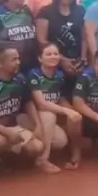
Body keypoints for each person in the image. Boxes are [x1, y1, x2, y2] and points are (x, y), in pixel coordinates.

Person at [0, 46, 44, 186]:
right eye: (13, 60)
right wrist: (7, 132)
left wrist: (38, 125)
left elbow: (28, 102)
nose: (18, 62)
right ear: (0, 63)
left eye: (18, 59)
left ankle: (6, 158)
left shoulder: (20, 80)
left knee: (37, 147)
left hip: (12, 126)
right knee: (0, 142)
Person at [27, 44, 83, 172]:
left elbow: (59, 97)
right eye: (48, 54)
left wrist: (71, 110)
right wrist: (65, 110)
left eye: (55, 54)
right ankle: (42, 160)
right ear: (40, 58)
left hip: (47, 121)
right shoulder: (34, 75)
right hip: (30, 118)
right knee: (49, 114)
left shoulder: (59, 75)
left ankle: (35, 151)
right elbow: (41, 103)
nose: (53, 57)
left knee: (60, 141)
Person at [35, 0, 86, 100]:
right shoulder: (45, 12)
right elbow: (41, 41)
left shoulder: (80, 10)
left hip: (77, 64)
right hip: (54, 64)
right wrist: (61, 59)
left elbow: (84, 38)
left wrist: (82, 60)